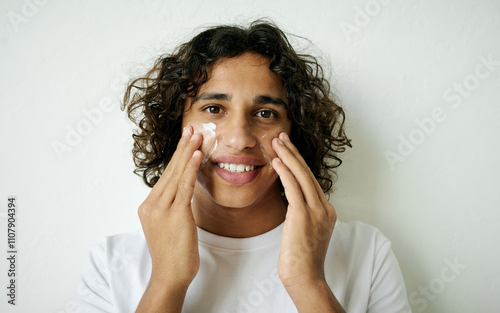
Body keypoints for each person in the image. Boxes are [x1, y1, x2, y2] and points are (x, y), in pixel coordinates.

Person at [76, 20, 412, 312]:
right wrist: (166, 283)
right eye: (213, 109)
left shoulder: (367, 255)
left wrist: (309, 284)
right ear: (176, 126)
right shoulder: (111, 263)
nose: (239, 138)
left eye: (265, 114)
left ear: (297, 131)